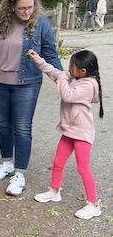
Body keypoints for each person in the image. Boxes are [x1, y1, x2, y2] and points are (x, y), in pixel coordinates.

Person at [0, 0, 62, 196]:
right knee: (3, 124)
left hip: (27, 83)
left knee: (22, 127)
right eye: (22, 9)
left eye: (30, 7)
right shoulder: (0, 23)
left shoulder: (41, 23)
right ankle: (7, 163)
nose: (27, 12)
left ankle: (19, 175)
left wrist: (62, 78)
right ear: (12, 7)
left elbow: (50, 53)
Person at [28, 49, 103, 219]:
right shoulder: (74, 77)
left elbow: (67, 95)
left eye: (72, 67)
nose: (68, 70)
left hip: (82, 132)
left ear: (83, 71)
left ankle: (94, 203)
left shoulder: (88, 85)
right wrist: (37, 59)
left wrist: (62, 78)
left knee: (83, 168)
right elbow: (53, 71)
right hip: (69, 130)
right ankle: (54, 191)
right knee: (58, 161)